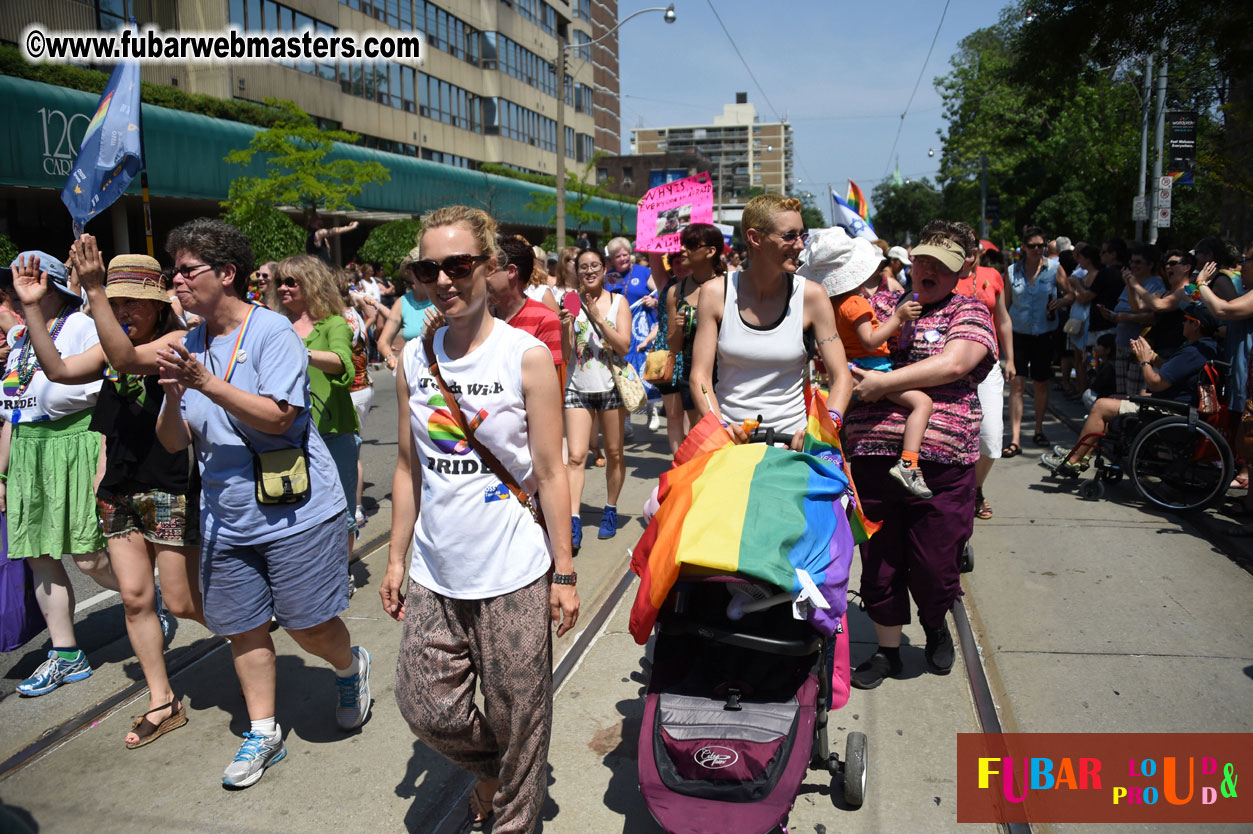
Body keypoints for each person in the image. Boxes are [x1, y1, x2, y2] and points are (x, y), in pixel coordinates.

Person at [380, 205, 578, 834]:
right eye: (428, 268)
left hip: (515, 568)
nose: (444, 279)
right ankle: (495, 774)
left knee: (522, 715)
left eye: (459, 264)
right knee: (424, 706)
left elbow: (550, 472)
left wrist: (565, 572)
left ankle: (516, 821)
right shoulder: (415, 357)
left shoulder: (525, 356)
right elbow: (410, 466)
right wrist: (393, 556)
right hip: (437, 571)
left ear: (489, 267)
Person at [154, 219, 370, 789]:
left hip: (295, 508)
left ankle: (350, 667)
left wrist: (204, 383)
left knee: (307, 624)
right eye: (173, 271)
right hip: (227, 516)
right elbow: (175, 442)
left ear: (226, 275)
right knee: (244, 627)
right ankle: (264, 730)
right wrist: (176, 394)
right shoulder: (189, 343)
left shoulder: (272, 332)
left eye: (186, 270)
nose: (175, 281)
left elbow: (280, 418)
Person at [39, 239, 202, 745]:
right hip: (119, 490)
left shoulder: (178, 342)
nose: (123, 309)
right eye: (115, 298)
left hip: (170, 486)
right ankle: (162, 699)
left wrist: (91, 288)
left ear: (158, 304)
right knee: (135, 598)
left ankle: (251, 630)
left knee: (180, 602)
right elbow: (59, 371)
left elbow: (128, 361)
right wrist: (30, 307)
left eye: (132, 300)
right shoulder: (113, 345)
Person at [843, 230, 996, 689]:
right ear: (911, 263)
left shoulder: (969, 311)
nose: (929, 272)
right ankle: (888, 651)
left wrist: (883, 383)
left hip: (941, 465)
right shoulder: (884, 305)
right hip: (871, 455)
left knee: (934, 564)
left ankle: (934, 625)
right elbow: (844, 346)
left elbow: (953, 365)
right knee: (879, 563)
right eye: (923, 263)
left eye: (943, 267)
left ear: (961, 272)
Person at [3, 251, 115, 697]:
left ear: (48, 283)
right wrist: (1, 476)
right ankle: (66, 654)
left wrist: (102, 462)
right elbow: (14, 415)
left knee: (89, 556)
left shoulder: (82, 326)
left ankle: (144, 599)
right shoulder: (19, 338)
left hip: (76, 442)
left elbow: (104, 401)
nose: (13, 288)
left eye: (23, 278)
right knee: (38, 554)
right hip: (29, 449)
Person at [689, 194, 853, 447]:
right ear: (755, 238)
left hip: (795, 445)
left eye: (802, 235)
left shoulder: (812, 296)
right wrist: (719, 426)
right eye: (789, 236)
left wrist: (821, 431)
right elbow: (700, 376)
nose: (800, 245)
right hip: (728, 442)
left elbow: (841, 376)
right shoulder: (714, 293)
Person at [799, 227, 933, 498]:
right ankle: (908, 463)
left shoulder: (828, 305)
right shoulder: (856, 303)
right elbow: (870, 340)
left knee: (833, 425)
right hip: (873, 370)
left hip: (848, 372)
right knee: (922, 403)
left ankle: (817, 462)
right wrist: (898, 318)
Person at [1040, 303, 1221, 477]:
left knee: (1102, 405)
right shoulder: (1205, 348)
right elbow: (1172, 370)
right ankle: (1082, 453)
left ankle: (1074, 460)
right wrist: (1154, 358)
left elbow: (1155, 383)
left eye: (1187, 319)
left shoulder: (1193, 352)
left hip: (1171, 410)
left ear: (1196, 325)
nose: (1183, 322)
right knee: (1113, 399)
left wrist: (1143, 360)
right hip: (1178, 405)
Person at [271, 254, 361, 555]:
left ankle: (341, 572)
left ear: (311, 284)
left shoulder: (334, 323)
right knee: (294, 510)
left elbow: (341, 362)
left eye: (291, 282)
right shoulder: (275, 325)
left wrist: (302, 352)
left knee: (342, 510)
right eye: (279, 282)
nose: (283, 288)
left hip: (332, 430)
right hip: (285, 434)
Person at [947, 221, 1014, 521]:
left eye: (972, 247)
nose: (969, 254)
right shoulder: (941, 277)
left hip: (988, 369)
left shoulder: (993, 276)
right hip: (950, 369)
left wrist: (1009, 358)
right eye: (962, 248)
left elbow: (1002, 319)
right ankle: (959, 493)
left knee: (990, 440)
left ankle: (974, 488)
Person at [564, 248, 632, 547]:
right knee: (576, 457)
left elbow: (624, 346)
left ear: (604, 269)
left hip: (611, 387)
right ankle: (573, 519)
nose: (589, 271)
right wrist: (566, 324)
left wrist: (598, 319)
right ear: (576, 272)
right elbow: (568, 354)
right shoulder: (569, 301)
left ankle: (610, 509)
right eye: (583, 267)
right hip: (577, 387)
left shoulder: (618, 302)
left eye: (594, 266)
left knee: (615, 453)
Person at [1004, 225, 1071, 454]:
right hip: (1019, 334)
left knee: (1041, 383)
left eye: (1041, 246)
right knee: (1017, 385)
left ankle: (1039, 429)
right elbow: (1005, 307)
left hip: (1044, 333)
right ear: (1023, 247)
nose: (1037, 250)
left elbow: (1070, 293)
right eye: (1032, 246)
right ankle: (1015, 438)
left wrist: (1061, 302)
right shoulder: (1012, 271)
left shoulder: (1054, 268)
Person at [655, 225, 722, 452]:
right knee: (700, 431)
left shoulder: (730, 286)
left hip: (725, 371)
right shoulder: (676, 291)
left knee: (723, 432)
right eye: (682, 244)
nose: (682, 250)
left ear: (711, 251)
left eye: (691, 245)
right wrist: (681, 329)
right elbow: (673, 345)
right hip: (692, 372)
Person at [606, 237, 661, 433]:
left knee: (645, 369)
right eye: (617, 256)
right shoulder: (608, 276)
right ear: (611, 259)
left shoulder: (643, 272)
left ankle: (651, 408)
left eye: (625, 254)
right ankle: (626, 417)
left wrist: (653, 301)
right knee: (624, 371)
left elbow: (661, 291)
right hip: (620, 328)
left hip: (642, 327)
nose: (622, 258)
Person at [491, 235, 565, 375]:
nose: (482, 275)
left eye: (490, 269)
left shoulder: (545, 320)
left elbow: (545, 384)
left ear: (511, 272)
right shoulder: (481, 316)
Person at [1097, 243, 1165, 398]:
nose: (1133, 265)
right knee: (1122, 392)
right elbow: (1124, 309)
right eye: (1132, 262)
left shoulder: (1155, 284)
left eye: (1138, 262)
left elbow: (1152, 316)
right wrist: (1111, 315)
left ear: (1150, 264)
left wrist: (1126, 317)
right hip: (1122, 343)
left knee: (1133, 395)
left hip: (1139, 347)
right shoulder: (1129, 281)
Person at [338, 270, 376, 529]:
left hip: (352, 390)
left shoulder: (340, 319)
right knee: (352, 449)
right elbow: (372, 315)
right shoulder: (355, 316)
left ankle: (356, 509)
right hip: (363, 387)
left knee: (350, 452)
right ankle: (356, 508)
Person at [378, 254, 433, 373]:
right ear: (410, 273)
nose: (426, 274)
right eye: (420, 269)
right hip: (413, 374)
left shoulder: (443, 297)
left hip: (443, 373)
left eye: (430, 268)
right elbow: (383, 342)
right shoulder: (402, 303)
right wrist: (390, 357)